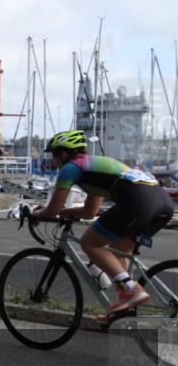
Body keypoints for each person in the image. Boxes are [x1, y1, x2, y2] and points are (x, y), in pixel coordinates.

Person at [32, 130, 174, 321]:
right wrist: (65, 212)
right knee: (118, 252)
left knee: (89, 243)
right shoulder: (95, 166)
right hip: (162, 203)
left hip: (138, 202)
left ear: (63, 153)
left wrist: (36, 214)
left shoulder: (71, 168)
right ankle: (122, 310)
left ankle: (131, 291)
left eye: (54, 155)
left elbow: (51, 210)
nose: (54, 161)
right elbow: (90, 211)